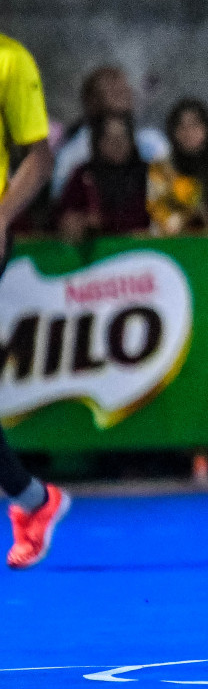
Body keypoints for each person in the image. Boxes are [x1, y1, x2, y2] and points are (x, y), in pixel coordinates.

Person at [0, 35, 70, 569]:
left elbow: (39, 159)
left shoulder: (12, 59)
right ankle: (34, 500)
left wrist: (1, 219)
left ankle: (35, 501)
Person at [51, 66, 170, 199]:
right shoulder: (76, 151)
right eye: (114, 90)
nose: (124, 92)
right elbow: (61, 199)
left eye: (124, 88)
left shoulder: (151, 141)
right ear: (91, 102)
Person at [146, 99, 208, 236]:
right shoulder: (162, 168)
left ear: (207, 128)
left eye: (194, 125)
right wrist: (190, 215)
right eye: (181, 126)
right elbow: (158, 211)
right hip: (175, 245)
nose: (188, 132)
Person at [56, 113, 152, 243]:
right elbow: (65, 216)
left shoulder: (148, 175)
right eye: (109, 138)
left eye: (122, 137)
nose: (117, 144)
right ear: (98, 142)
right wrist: (78, 222)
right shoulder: (84, 175)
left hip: (143, 252)